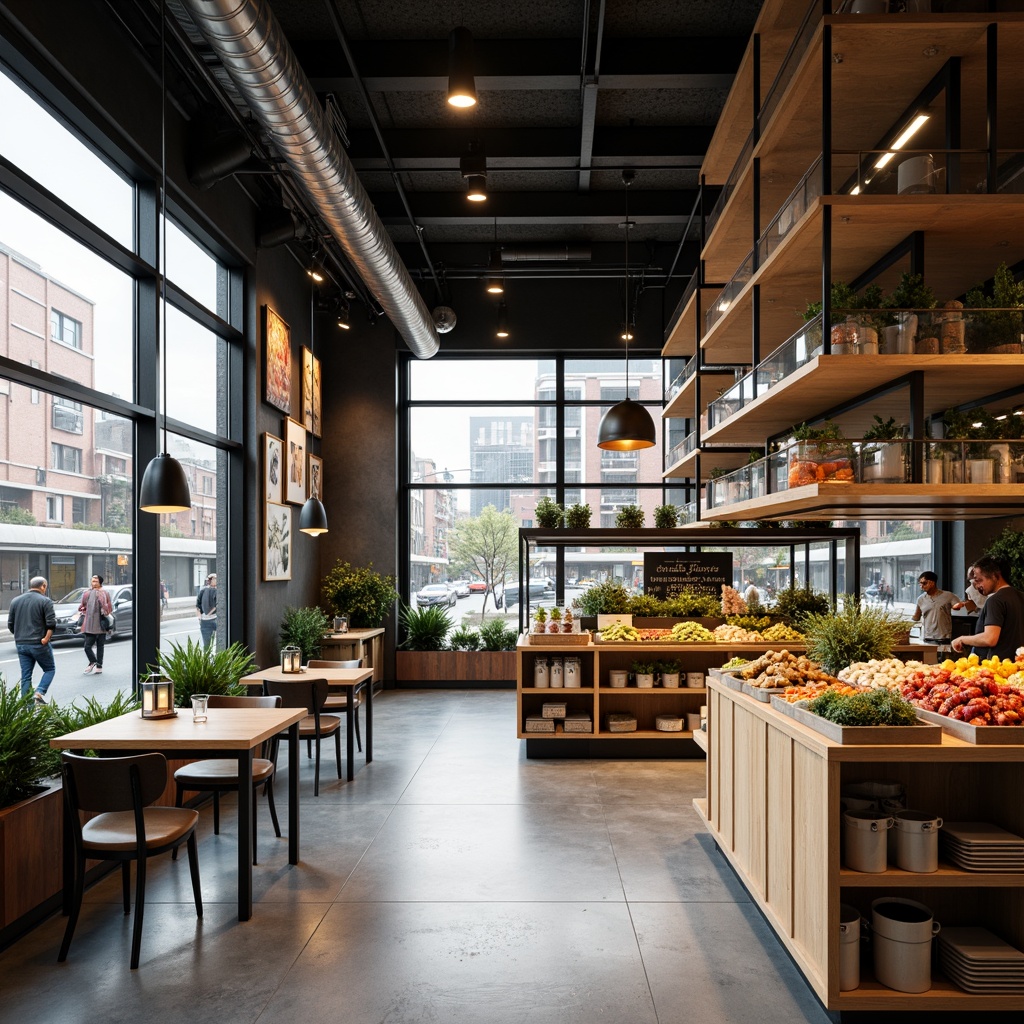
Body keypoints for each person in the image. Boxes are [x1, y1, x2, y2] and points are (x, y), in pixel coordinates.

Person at [950, 555, 1024, 661]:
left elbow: (990, 638)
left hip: (998, 667)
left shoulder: (995, 600)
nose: (977, 586)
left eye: (979, 580)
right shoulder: (1021, 596)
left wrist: (962, 639)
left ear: (995, 576)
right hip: (1018, 665)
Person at [7, 576, 56, 703]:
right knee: (49, 669)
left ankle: (27, 710)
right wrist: (46, 639)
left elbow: (10, 624)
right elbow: (51, 624)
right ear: (43, 586)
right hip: (38, 643)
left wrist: (19, 635)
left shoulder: (15, 601)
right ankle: (39, 692)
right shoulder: (45, 601)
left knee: (26, 676)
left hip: (21, 643)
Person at [77, 574, 113, 675]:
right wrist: (83, 609)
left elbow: (109, 608)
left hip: (101, 624)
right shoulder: (87, 593)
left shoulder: (104, 593)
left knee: (100, 646)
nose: (93, 583)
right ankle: (93, 661)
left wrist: (104, 606)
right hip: (89, 624)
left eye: (95, 581)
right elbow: (82, 606)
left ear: (100, 582)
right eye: (92, 581)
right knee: (87, 646)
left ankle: (99, 666)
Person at [911, 571, 955, 646]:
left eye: (924, 583)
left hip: (944, 639)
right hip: (928, 638)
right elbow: (916, 617)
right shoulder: (921, 599)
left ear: (932, 583)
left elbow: (959, 607)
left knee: (945, 658)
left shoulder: (948, 596)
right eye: (920, 584)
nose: (922, 586)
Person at [196, 573, 217, 648]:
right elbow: (198, 605)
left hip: (212, 619)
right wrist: (200, 617)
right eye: (214, 579)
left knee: (209, 645)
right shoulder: (204, 590)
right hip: (207, 620)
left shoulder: (217, 590)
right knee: (207, 646)